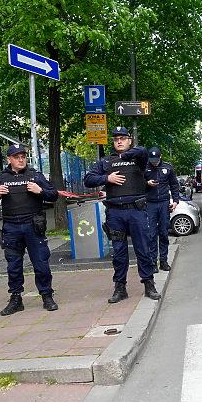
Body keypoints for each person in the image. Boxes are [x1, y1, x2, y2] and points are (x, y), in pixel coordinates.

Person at [84, 127, 161, 303]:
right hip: (115, 213)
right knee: (119, 253)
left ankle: (149, 284)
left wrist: (125, 156)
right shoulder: (105, 163)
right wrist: (106, 179)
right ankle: (120, 288)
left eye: (123, 138)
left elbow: (143, 150)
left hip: (136, 211)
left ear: (129, 140)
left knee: (143, 249)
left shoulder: (138, 159)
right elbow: (88, 179)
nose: (119, 141)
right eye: (116, 139)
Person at [0, 144, 59, 316]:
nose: (21, 159)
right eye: (16, 157)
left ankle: (47, 296)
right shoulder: (1, 178)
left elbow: (53, 194)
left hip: (33, 227)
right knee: (13, 266)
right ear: (9, 159)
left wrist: (40, 191)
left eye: (23, 156)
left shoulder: (35, 176)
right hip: (11, 228)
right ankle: (16, 299)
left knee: (41, 264)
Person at [145, 147, 180, 272]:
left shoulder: (167, 168)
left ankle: (164, 261)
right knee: (151, 234)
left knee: (164, 232)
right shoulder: (145, 168)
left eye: (156, 159)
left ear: (160, 156)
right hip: (150, 204)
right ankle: (153, 262)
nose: (154, 162)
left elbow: (174, 185)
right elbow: (138, 184)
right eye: (152, 160)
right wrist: (147, 183)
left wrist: (175, 201)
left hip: (164, 203)